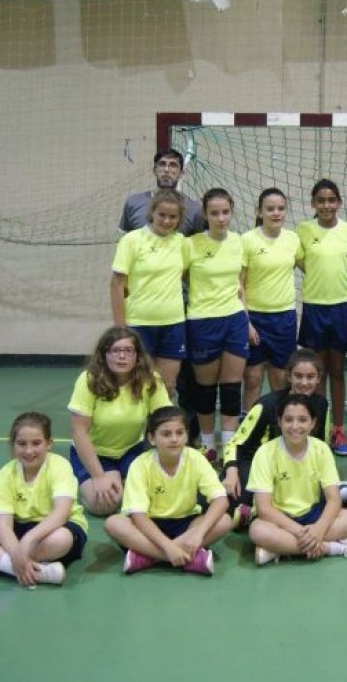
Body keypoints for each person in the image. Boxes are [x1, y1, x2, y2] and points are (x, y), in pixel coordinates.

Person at [0, 412, 88, 587]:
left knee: (61, 539)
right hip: (18, 530)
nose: (29, 451)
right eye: (22, 444)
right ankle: (30, 570)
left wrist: (28, 541)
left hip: (56, 528)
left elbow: (61, 513)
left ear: (49, 443)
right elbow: (3, 525)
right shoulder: (6, 473)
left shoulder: (60, 466)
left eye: (36, 443)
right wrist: (16, 553)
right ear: (13, 445)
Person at [247, 394, 347, 565]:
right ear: (279, 422)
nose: (295, 426)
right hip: (280, 519)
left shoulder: (322, 449)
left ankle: (279, 550)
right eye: (288, 420)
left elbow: (333, 499)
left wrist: (319, 529)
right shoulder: (265, 453)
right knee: (257, 531)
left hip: (313, 515)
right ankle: (331, 548)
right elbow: (264, 508)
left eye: (302, 420)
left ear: (313, 423)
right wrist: (306, 534)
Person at [104, 406, 233, 576]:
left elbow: (221, 500)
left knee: (224, 521)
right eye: (166, 434)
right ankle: (186, 557)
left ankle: (148, 557)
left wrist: (198, 534)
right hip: (151, 525)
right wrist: (168, 548)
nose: (174, 439)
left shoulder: (196, 459)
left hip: (186, 524)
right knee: (113, 523)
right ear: (151, 438)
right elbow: (139, 516)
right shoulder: (140, 465)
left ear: (187, 435)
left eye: (180, 433)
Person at [68, 326, 173, 516]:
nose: (121, 356)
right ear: (104, 355)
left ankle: (122, 480)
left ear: (137, 356)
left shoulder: (150, 380)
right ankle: (90, 482)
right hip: (96, 453)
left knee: (158, 496)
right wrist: (99, 476)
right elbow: (79, 432)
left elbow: (165, 421)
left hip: (131, 451)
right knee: (103, 505)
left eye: (128, 351)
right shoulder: (88, 380)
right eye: (115, 350)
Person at [222, 349, 330, 528]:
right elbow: (236, 442)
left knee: (322, 499)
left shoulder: (321, 406)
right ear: (289, 376)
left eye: (310, 377)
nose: (304, 382)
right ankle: (255, 511)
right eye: (298, 376)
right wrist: (231, 472)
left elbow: (321, 447)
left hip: (294, 466)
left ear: (319, 378)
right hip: (255, 464)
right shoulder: (267, 404)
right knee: (235, 498)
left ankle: (259, 514)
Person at [295, 178, 347, 457]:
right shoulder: (302, 230)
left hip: (341, 309)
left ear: (338, 203)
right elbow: (301, 262)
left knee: (336, 371)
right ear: (313, 204)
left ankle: (337, 429)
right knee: (315, 372)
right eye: (320, 200)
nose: (326, 205)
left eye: (331, 200)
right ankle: (317, 428)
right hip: (314, 308)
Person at [184, 188, 249, 465]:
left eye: (225, 212)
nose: (221, 218)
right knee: (206, 389)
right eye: (214, 213)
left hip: (234, 319)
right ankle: (208, 447)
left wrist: (246, 318)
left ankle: (230, 449)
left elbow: (241, 283)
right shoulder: (191, 244)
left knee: (232, 388)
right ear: (205, 214)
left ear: (232, 211)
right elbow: (182, 275)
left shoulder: (239, 241)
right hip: (202, 321)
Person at [110, 191, 188, 400]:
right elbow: (117, 284)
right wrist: (121, 328)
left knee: (167, 387)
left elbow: (189, 274)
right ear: (152, 212)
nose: (167, 220)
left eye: (173, 217)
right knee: (138, 384)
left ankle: (159, 431)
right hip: (139, 324)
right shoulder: (132, 240)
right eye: (162, 214)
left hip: (173, 324)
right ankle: (137, 430)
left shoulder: (182, 242)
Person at [241, 187, 302, 412]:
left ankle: (279, 427)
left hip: (284, 318)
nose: (276, 213)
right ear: (259, 211)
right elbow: (238, 285)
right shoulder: (246, 240)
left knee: (280, 378)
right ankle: (247, 431)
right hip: (254, 318)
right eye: (270, 209)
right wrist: (245, 322)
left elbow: (309, 266)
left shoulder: (293, 239)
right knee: (253, 378)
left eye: (280, 208)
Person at [118, 148, 204, 236]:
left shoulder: (194, 209)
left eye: (173, 165)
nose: (166, 170)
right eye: (162, 164)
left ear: (181, 174)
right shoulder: (133, 202)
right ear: (154, 170)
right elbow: (124, 241)